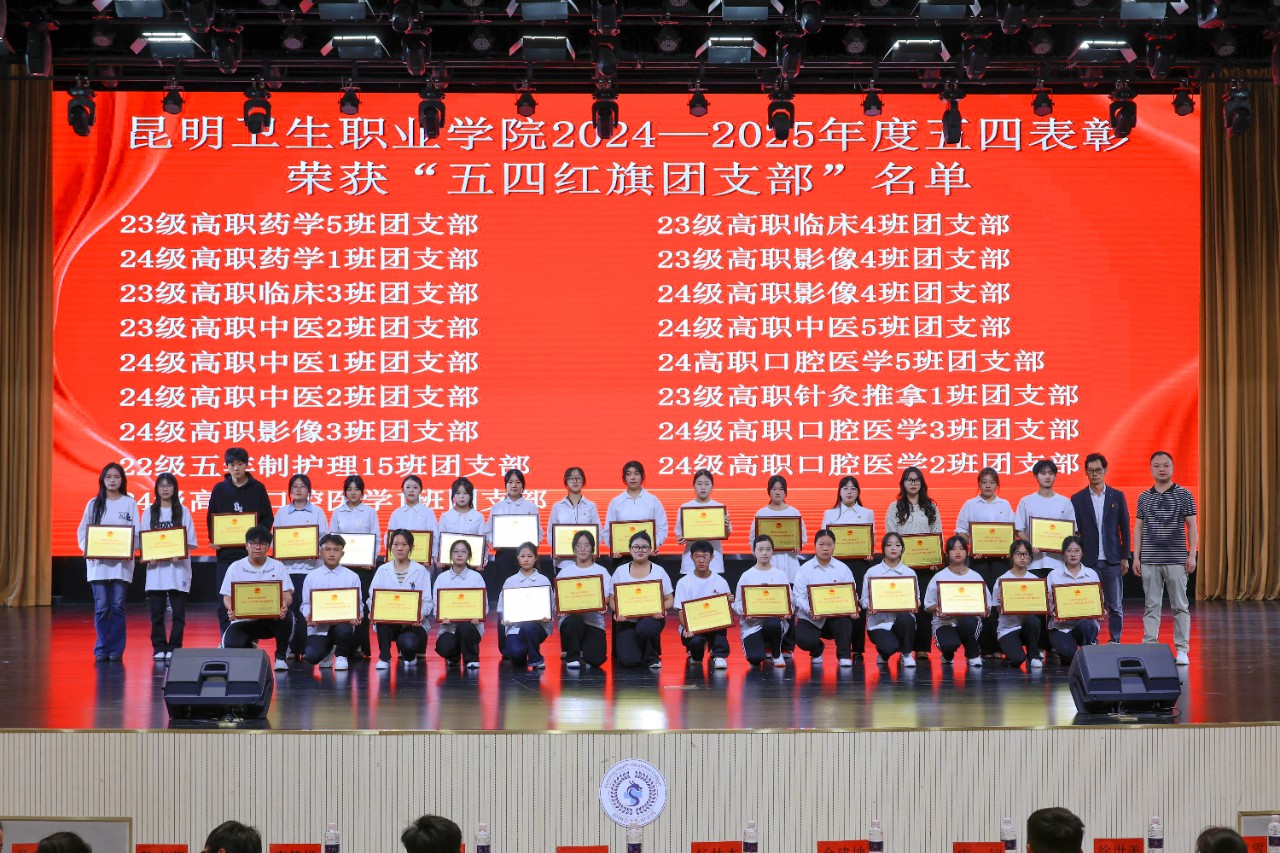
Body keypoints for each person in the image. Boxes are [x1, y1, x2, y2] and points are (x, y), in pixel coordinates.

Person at [1133, 450, 1198, 666]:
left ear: (1172, 468)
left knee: (1180, 605)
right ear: (1150, 469)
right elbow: (1139, 528)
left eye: (1166, 465)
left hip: (1176, 559)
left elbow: (1192, 527)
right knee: (1151, 606)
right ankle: (1150, 646)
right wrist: (1136, 557)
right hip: (1150, 559)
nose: (1161, 469)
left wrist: (1192, 555)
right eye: (1157, 465)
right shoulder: (1144, 496)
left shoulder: (1184, 494)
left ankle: (1182, 649)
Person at [207, 447, 274, 637]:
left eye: (240, 464)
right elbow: (211, 517)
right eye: (231, 465)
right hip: (226, 555)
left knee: (252, 598)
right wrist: (214, 539)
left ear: (246, 465)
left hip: (251, 555)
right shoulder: (219, 489)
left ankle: (250, 639)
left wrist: (257, 541)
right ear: (227, 466)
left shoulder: (258, 488)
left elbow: (267, 517)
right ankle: (225, 638)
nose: (236, 468)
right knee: (224, 598)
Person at [77, 462, 138, 662]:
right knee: (102, 607)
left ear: (123, 480)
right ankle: (102, 648)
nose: (112, 480)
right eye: (108, 477)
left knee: (118, 606)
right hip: (98, 565)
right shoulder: (93, 503)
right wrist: (88, 549)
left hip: (121, 565)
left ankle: (117, 649)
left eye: (116, 477)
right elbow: (83, 532)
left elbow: (136, 533)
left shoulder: (129, 503)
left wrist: (131, 549)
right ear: (102, 480)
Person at [1070, 453, 1132, 644]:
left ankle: (1115, 639)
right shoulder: (1078, 498)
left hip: (1112, 559)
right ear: (1086, 472)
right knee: (1090, 605)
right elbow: (1075, 532)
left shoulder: (1117, 496)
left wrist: (1125, 557)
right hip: (1088, 560)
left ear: (1105, 470)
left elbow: (1125, 528)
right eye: (1090, 470)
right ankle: (1092, 639)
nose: (1094, 474)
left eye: (1098, 470)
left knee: (1115, 605)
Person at [955, 467, 1016, 656]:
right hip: (978, 560)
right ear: (978, 484)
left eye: (992, 482)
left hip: (1000, 561)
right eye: (984, 482)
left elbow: (1010, 531)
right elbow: (961, 531)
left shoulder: (1004, 504)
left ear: (997, 485)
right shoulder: (970, 505)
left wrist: (1006, 547)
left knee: (998, 601)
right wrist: (973, 545)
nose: (988, 486)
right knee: (981, 601)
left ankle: (998, 646)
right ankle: (983, 646)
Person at [139, 472, 198, 660]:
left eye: (169, 485)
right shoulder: (149, 512)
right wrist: (149, 554)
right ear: (156, 489)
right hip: (156, 570)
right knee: (156, 613)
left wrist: (179, 552)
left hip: (178, 568)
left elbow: (190, 540)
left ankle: (174, 646)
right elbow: (143, 539)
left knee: (178, 613)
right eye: (161, 485)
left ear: (175, 488)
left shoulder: (183, 511)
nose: (165, 489)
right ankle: (159, 647)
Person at [272, 473, 330, 661]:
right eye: (294, 486)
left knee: (308, 609)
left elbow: (324, 539)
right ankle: (289, 647)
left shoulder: (317, 512)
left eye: (302, 486)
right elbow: (275, 541)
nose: (298, 489)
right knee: (290, 610)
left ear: (309, 490)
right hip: (288, 570)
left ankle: (306, 646)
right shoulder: (282, 513)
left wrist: (316, 550)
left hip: (311, 569)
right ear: (290, 490)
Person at [885, 466, 943, 655]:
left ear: (922, 483)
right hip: (901, 566)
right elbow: (891, 536)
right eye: (909, 480)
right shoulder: (895, 507)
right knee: (903, 606)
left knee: (924, 606)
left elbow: (937, 533)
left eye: (917, 480)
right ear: (903, 483)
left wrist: (936, 558)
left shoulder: (931, 506)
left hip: (926, 567)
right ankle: (905, 647)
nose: (913, 483)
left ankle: (922, 648)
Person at [219, 526, 293, 670]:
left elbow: (287, 595)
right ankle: (250, 648)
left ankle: (280, 658)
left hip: (270, 621)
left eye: (262, 543)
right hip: (244, 620)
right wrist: (231, 608)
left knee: (288, 616)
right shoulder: (235, 567)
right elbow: (227, 596)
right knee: (232, 645)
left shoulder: (278, 566)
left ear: (268, 547)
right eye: (253, 543)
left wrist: (284, 603)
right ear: (246, 545)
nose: (257, 547)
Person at [488, 469, 543, 651]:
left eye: (518, 482)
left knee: (527, 595)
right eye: (510, 482)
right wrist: (496, 541)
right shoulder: (497, 507)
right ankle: (505, 645)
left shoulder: (531, 507)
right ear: (505, 485)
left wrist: (531, 542)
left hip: (525, 555)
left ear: (523, 486)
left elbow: (539, 533)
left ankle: (527, 640)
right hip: (504, 556)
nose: (514, 485)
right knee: (504, 598)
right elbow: (488, 532)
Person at [821, 475, 875, 660]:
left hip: (860, 563)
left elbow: (871, 536)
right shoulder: (830, 514)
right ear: (839, 492)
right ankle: (842, 645)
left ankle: (857, 648)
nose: (849, 492)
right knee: (839, 602)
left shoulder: (867, 513)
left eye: (853, 488)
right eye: (845, 488)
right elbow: (824, 540)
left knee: (859, 603)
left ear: (858, 492)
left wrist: (869, 551)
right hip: (836, 564)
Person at [329, 473, 381, 659]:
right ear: (344, 492)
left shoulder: (370, 512)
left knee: (362, 607)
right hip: (342, 567)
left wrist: (370, 560)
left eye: (357, 489)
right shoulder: (338, 513)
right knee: (344, 605)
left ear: (362, 492)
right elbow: (333, 538)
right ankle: (344, 646)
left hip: (363, 568)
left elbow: (376, 539)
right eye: (349, 489)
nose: (353, 492)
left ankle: (361, 647)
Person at [792, 529, 857, 667]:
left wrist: (853, 607)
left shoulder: (843, 568)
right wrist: (810, 610)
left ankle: (844, 656)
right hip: (811, 618)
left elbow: (852, 593)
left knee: (845, 622)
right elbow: (798, 596)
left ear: (834, 546)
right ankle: (817, 650)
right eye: (821, 544)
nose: (825, 548)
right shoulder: (804, 569)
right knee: (802, 639)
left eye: (829, 544)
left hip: (836, 617)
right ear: (815, 545)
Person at [368, 529, 432, 669]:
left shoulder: (420, 570)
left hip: (413, 624)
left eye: (404, 544)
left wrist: (420, 614)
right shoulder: (383, 570)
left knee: (407, 643)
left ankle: (410, 655)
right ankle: (384, 658)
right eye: (396, 544)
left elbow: (427, 600)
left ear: (411, 547)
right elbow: (373, 597)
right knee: (382, 622)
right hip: (390, 623)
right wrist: (373, 610)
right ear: (390, 547)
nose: (400, 548)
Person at [610, 530, 674, 669]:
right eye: (636, 547)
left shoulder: (659, 571)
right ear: (630, 549)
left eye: (644, 547)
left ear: (650, 550)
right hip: (627, 621)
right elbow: (612, 599)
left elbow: (669, 599)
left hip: (651, 619)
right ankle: (639, 649)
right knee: (629, 661)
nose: (640, 550)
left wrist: (661, 609)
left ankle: (652, 657)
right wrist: (618, 612)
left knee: (646, 627)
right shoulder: (620, 571)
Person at [923, 535, 991, 667]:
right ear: (947, 553)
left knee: (968, 622)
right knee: (948, 644)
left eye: (961, 548)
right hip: (944, 622)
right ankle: (947, 654)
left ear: (967, 552)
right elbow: (928, 605)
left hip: (969, 621)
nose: (958, 552)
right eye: (953, 549)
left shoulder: (975, 577)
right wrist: (937, 608)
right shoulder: (939, 576)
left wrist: (985, 610)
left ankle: (973, 655)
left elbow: (986, 603)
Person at [301, 533, 364, 671]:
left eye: (336, 550)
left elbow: (359, 604)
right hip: (318, 628)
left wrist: (358, 614)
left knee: (344, 629)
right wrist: (309, 615)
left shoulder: (352, 577)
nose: (331, 554)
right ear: (320, 552)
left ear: (342, 553)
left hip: (343, 626)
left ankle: (341, 655)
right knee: (312, 656)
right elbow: (305, 604)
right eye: (327, 549)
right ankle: (327, 651)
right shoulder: (311, 577)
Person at [555, 529, 613, 670]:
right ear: (574, 549)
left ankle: (583, 649)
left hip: (593, 621)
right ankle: (572, 656)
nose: (582, 548)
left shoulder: (602, 571)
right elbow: (558, 597)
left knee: (596, 660)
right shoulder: (565, 572)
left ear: (593, 548)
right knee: (574, 621)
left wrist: (599, 603)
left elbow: (607, 597)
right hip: (571, 621)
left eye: (587, 545)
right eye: (578, 545)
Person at [860, 532, 919, 668]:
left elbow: (916, 599)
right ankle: (884, 653)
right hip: (879, 623)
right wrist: (870, 606)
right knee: (889, 647)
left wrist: (916, 604)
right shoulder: (872, 572)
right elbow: (864, 600)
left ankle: (907, 654)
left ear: (902, 549)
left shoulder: (909, 573)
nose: (893, 548)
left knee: (906, 619)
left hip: (902, 621)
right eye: (889, 545)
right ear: (883, 548)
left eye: (897, 545)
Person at [673, 539, 733, 669]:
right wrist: (687, 627)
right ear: (691, 558)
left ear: (711, 557)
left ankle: (719, 655)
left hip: (714, 625)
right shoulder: (683, 582)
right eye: (697, 557)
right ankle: (695, 654)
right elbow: (680, 611)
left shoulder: (720, 581)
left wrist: (728, 602)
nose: (701, 560)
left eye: (705, 556)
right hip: (693, 627)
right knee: (696, 645)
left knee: (720, 628)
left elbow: (726, 611)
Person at [733, 534, 790, 668]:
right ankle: (762, 645)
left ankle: (776, 653)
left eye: (768, 549)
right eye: (760, 549)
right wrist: (744, 611)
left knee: (773, 623)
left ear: (773, 551)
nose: (764, 553)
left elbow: (790, 601)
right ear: (753, 551)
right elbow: (737, 603)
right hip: (752, 625)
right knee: (755, 658)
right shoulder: (747, 576)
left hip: (774, 622)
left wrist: (788, 611)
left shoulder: (780, 575)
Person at [1014, 459, 1077, 578]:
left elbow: (1072, 531)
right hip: (1033, 562)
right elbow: (1018, 529)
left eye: (1051, 473)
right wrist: (1030, 543)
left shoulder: (1064, 502)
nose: (1047, 477)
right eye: (1043, 473)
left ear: (1055, 476)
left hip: (1058, 562)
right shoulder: (1026, 501)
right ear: (1036, 476)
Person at [1045, 535, 1102, 665]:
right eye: (1069, 551)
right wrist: (1053, 611)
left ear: (1082, 553)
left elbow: (1098, 600)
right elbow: (1048, 605)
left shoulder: (1091, 574)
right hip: (1061, 626)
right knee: (1068, 656)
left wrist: (1099, 611)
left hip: (1084, 624)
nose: (1073, 554)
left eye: (1077, 551)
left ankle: (1088, 646)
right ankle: (1068, 649)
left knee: (1086, 625)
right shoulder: (1054, 575)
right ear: (1063, 553)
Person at [499, 542, 554, 670]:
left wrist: (546, 615)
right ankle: (524, 650)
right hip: (515, 628)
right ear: (517, 558)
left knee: (529, 626)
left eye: (529, 556)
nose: (526, 559)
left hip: (537, 627)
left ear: (535, 558)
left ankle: (536, 658)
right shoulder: (510, 581)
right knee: (517, 654)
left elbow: (550, 605)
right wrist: (505, 618)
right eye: (522, 556)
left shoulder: (543, 580)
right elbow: (502, 606)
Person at [433, 538, 487, 670]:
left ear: (469, 556)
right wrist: (441, 617)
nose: (459, 554)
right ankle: (453, 657)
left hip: (471, 627)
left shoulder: (476, 577)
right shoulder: (442, 578)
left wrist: (479, 616)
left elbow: (484, 604)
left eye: (463, 551)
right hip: (448, 627)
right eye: (456, 551)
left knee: (464, 627)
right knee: (444, 646)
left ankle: (472, 659)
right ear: (450, 555)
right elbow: (436, 604)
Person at [603, 460, 669, 562]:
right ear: (624, 477)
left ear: (642, 476)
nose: (632, 477)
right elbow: (608, 530)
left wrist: (654, 545)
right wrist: (614, 547)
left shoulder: (652, 500)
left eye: (636, 474)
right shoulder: (616, 502)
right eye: (629, 474)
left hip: (648, 556)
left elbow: (662, 527)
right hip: (622, 558)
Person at [993, 539, 1044, 669]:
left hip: (1027, 627)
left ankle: (1034, 656)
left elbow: (1040, 609)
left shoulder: (1035, 580)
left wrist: (1043, 600)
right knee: (1017, 659)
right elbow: (997, 610)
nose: (1022, 557)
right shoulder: (1002, 580)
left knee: (1033, 620)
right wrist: (1001, 603)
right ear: (1011, 556)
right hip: (1008, 628)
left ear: (1029, 557)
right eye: (1018, 553)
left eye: (1025, 554)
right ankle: (1014, 650)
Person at [674, 469, 731, 575]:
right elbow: (679, 534)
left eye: (707, 484)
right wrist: (680, 539)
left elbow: (727, 534)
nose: (703, 487)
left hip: (714, 561)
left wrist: (725, 527)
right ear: (694, 486)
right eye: (699, 484)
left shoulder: (719, 508)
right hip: (691, 561)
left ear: (712, 486)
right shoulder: (685, 508)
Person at [547, 466, 601, 571]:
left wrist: (593, 549)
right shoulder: (557, 507)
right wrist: (556, 548)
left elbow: (598, 532)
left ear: (583, 481)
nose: (575, 481)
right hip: (563, 562)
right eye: (571, 478)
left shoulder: (591, 506)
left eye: (578, 478)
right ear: (566, 482)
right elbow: (550, 532)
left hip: (586, 561)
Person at [436, 476, 487, 565]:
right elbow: (438, 541)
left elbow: (484, 543)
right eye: (458, 493)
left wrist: (482, 560)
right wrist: (439, 558)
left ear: (471, 495)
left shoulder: (478, 517)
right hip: (449, 564)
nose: (462, 496)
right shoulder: (445, 516)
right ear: (453, 495)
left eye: (466, 493)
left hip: (472, 564)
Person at [386, 474, 437, 563]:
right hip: (399, 563)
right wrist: (390, 556)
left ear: (421, 490)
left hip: (422, 563)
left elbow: (435, 538)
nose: (411, 490)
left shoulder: (428, 513)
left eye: (415, 487)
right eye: (408, 487)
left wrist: (431, 558)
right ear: (402, 490)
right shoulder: (396, 514)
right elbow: (389, 537)